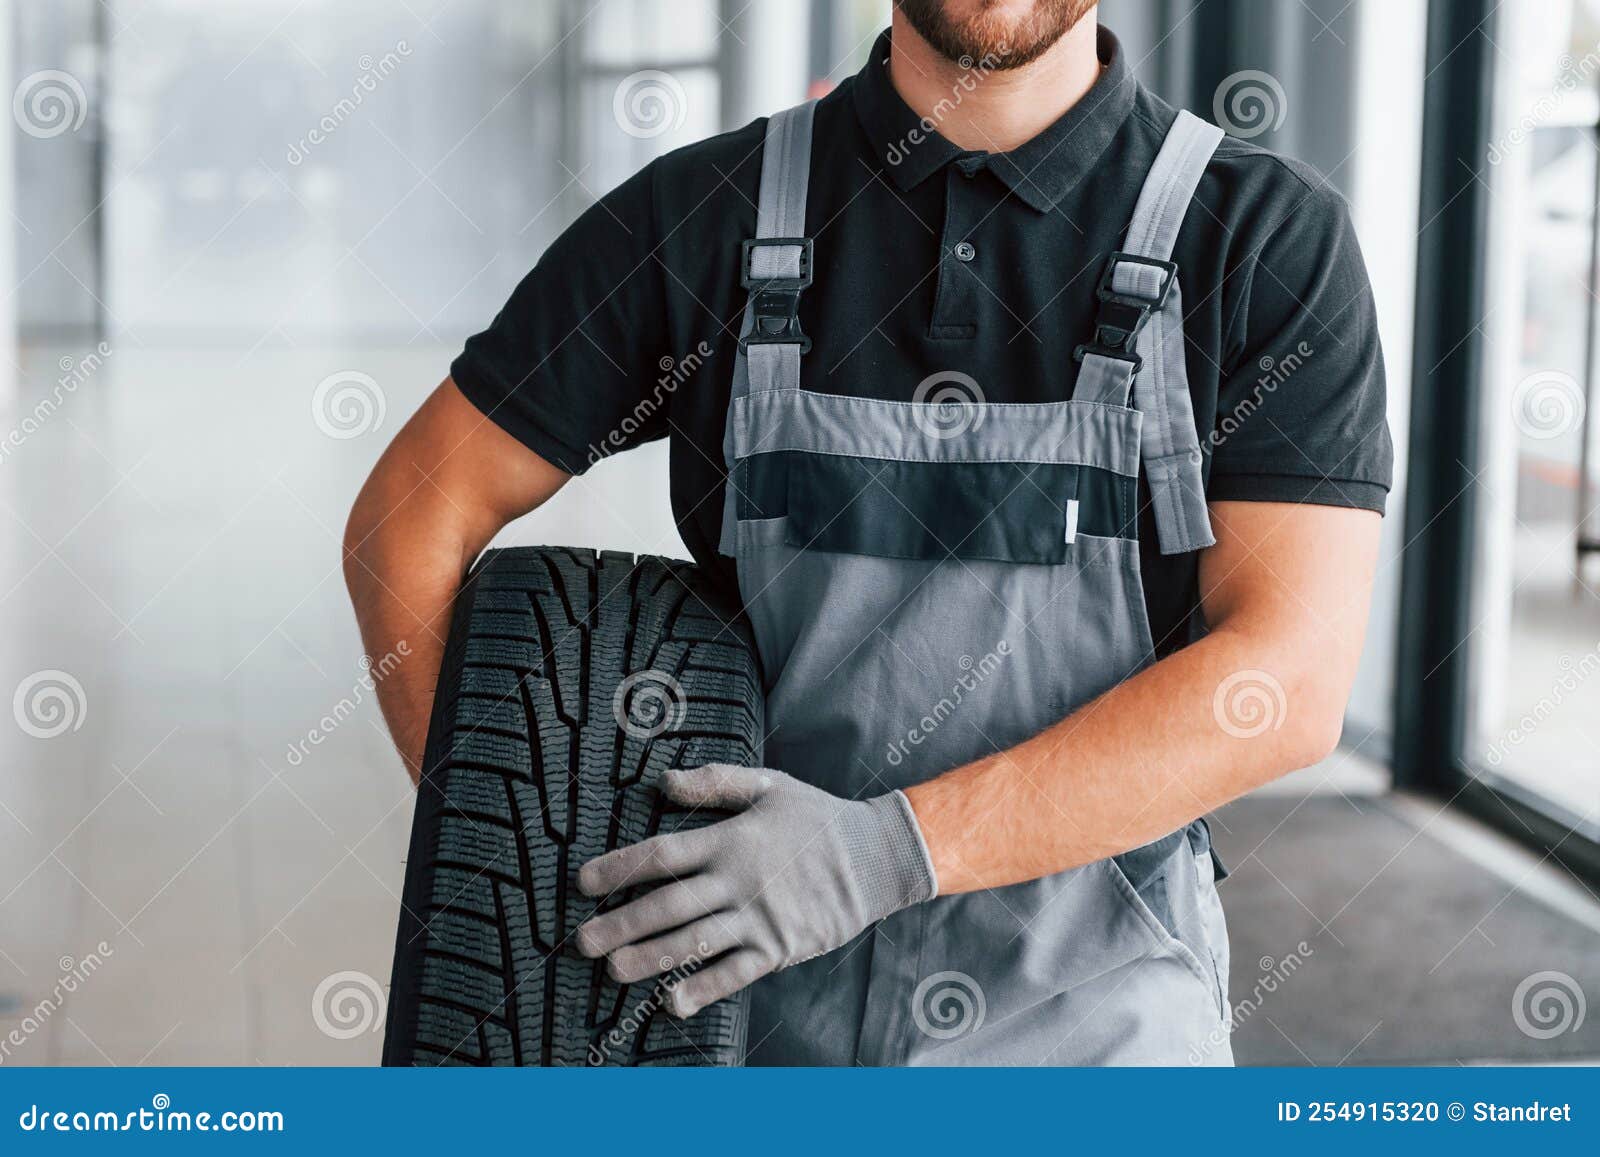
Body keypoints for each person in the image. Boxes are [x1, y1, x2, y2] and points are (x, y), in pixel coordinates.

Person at [344, 0, 1392, 1065]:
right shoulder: (707, 214)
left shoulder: (1259, 238)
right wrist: (508, 851)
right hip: (733, 1011)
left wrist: (882, 852)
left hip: (1098, 1028)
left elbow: (1285, 683)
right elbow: (410, 517)